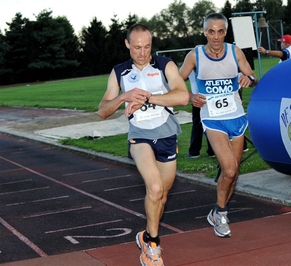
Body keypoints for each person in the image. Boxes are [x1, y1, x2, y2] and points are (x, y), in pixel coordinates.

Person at [98, 23, 189, 266]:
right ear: (127, 44)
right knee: (155, 187)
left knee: (162, 196)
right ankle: (152, 247)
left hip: (167, 133)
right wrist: (123, 97)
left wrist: (149, 97)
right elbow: (102, 112)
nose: (142, 52)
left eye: (147, 46)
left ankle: (146, 234)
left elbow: (183, 96)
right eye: (137, 47)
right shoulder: (119, 72)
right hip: (140, 136)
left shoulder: (164, 65)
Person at [179, 13, 258, 238]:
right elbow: (173, 83)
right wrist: (190, 96)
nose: (215, 36)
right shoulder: (195, 55)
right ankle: (221, 214)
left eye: (220, 31)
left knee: (232, 173)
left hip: (237, 118)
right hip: (212, 119)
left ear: (225, 32)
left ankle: (217, 211)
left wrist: (249, 80)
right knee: (230, 168)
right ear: (204, 32)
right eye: (211, 31)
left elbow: (253, 78)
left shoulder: (235, 52)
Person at [185, 70, 215, 158]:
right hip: (204, 98)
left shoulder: (191, 66)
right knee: (210, 124)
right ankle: (211, 150)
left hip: (200, 98)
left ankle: (195, 152)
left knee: (198, 126)